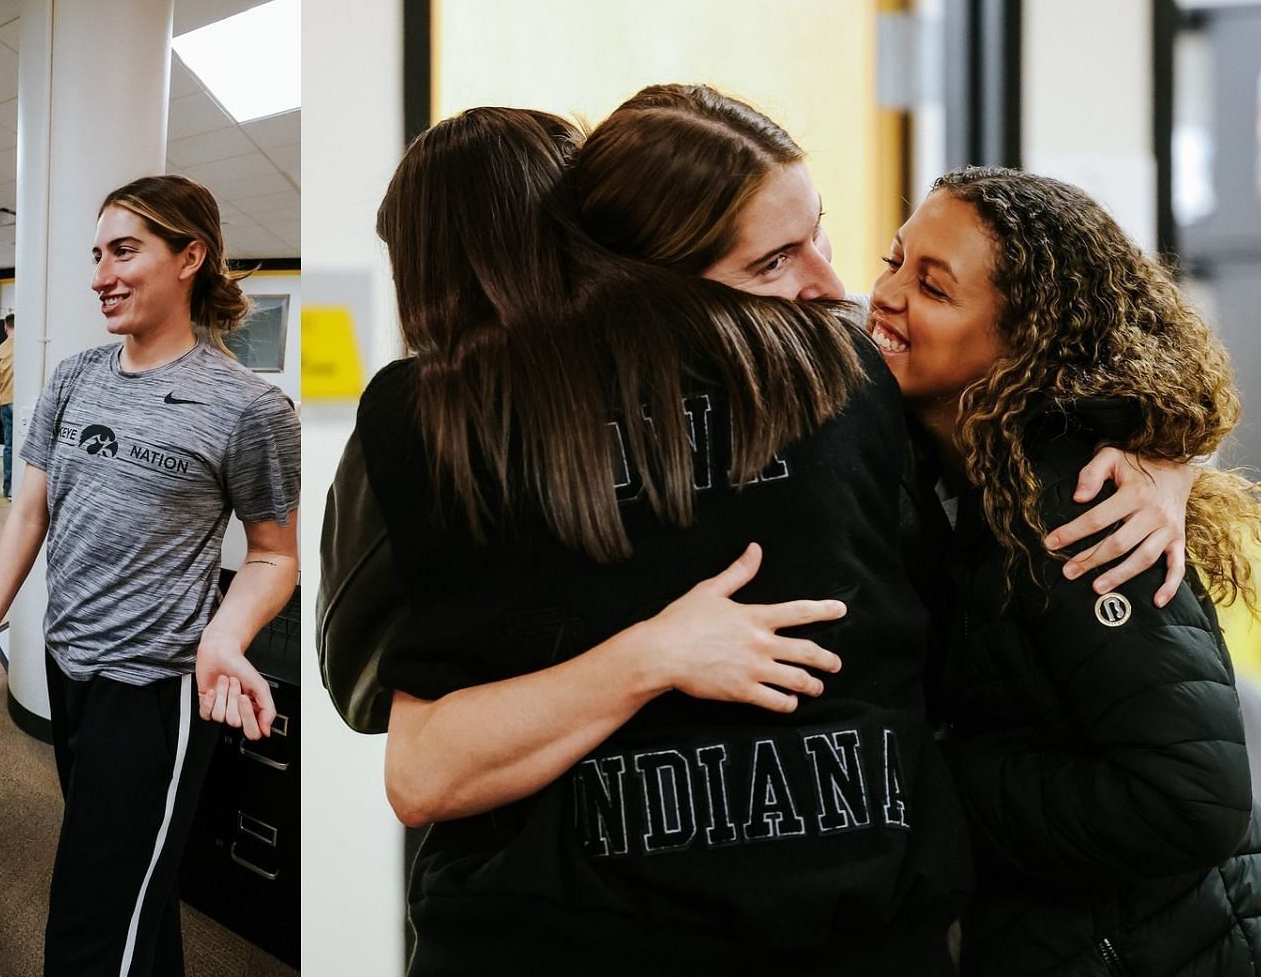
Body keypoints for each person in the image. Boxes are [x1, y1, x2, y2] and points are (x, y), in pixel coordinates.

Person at [318, 100, 1193, 973]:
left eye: (825, 237)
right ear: (646, 268)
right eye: (774, 259)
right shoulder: (457, 432)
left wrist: (1167, 456)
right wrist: (652, 656)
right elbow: (418, 764)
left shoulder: (841, 369)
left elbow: (1067, 368)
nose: (834, 286)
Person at [872, 167, 1261, 974]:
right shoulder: (952, 469)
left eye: (934, 289)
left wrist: (931, 775)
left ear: (1023, 339)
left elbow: (1192, 802)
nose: (885, 295)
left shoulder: (1080, 506)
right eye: (893, 260)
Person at [0, 176, 300, 976]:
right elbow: (29, 515)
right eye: (96, 254)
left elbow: (275, 555)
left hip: (154, 689)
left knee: (89, 913)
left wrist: (224, 635)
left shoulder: (248, 408)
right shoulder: (75, 378)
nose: (99, 275)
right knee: (132, 884)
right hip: (67, 658)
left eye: (124, 251)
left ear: (191, 256)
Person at [0, 312, 17, 501]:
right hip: (22, 402)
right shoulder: (28, 346)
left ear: (5, 327)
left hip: (6, 401)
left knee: (8, 447)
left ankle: (8, 488)